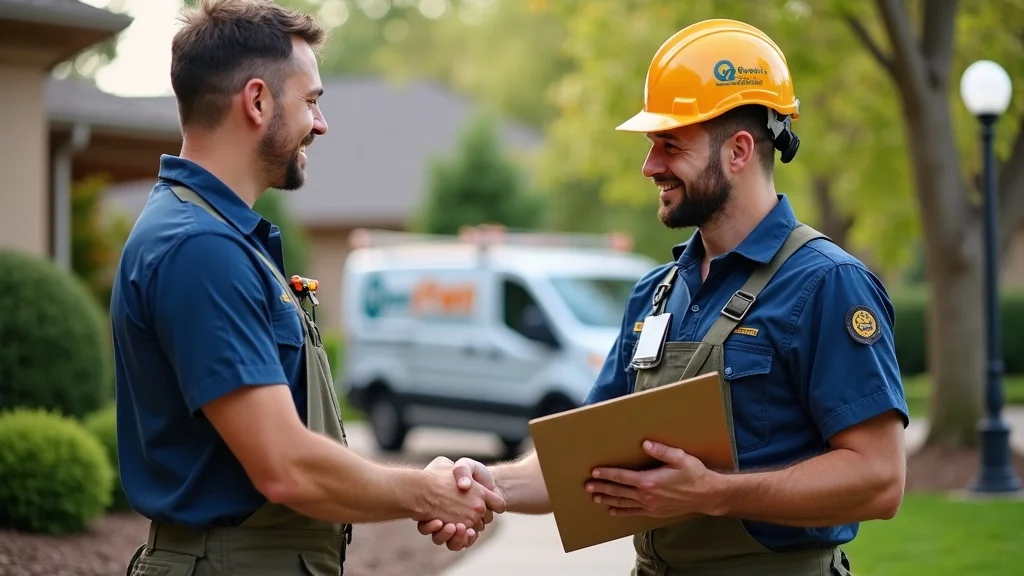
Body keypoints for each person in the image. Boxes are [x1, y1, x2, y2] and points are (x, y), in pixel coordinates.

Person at [418, 18, 909, 576]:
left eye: (670, 145)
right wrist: (487, 483)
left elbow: (879, 480)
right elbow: (589, 460)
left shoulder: (826, 283)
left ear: (739, 151)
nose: (650, 166)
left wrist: (715, 492)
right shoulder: (656, 294)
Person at [110, 1, 503, 574]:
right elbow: (283, 465)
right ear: (258, 101)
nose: (320, 125)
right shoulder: (200, 248)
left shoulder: (217, 237)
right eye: (312, 101)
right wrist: (427, 491)